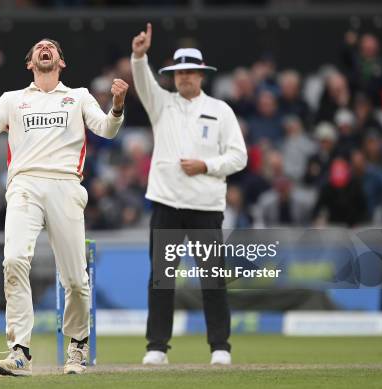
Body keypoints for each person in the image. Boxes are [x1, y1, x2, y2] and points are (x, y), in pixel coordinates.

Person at [0, 38, 128, 376]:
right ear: (30, 63)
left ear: (60, 62)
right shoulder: (13, 100)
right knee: (13, 261)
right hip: (24, 185)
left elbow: (107, 130)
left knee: (75, 279)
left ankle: (77, 346)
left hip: (65, 185)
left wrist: (116, 105)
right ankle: (20, 352)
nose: (46, 49)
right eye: (40, 47)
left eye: (52, 47)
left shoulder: (79, 96)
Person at [130, 23, 247, 366]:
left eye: (191, 72)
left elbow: (238, 156)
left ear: (201, 75)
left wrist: (206, 165)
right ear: (174, 75)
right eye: (180, 72)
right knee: (162, 279)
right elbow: (143, 81)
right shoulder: (161, 104)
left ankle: (220, 347)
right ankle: (156, 347)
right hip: (167, 203)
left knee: (212, 278)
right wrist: (139, 55)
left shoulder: (220, 110)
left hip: (205, 207)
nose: (185, 78)